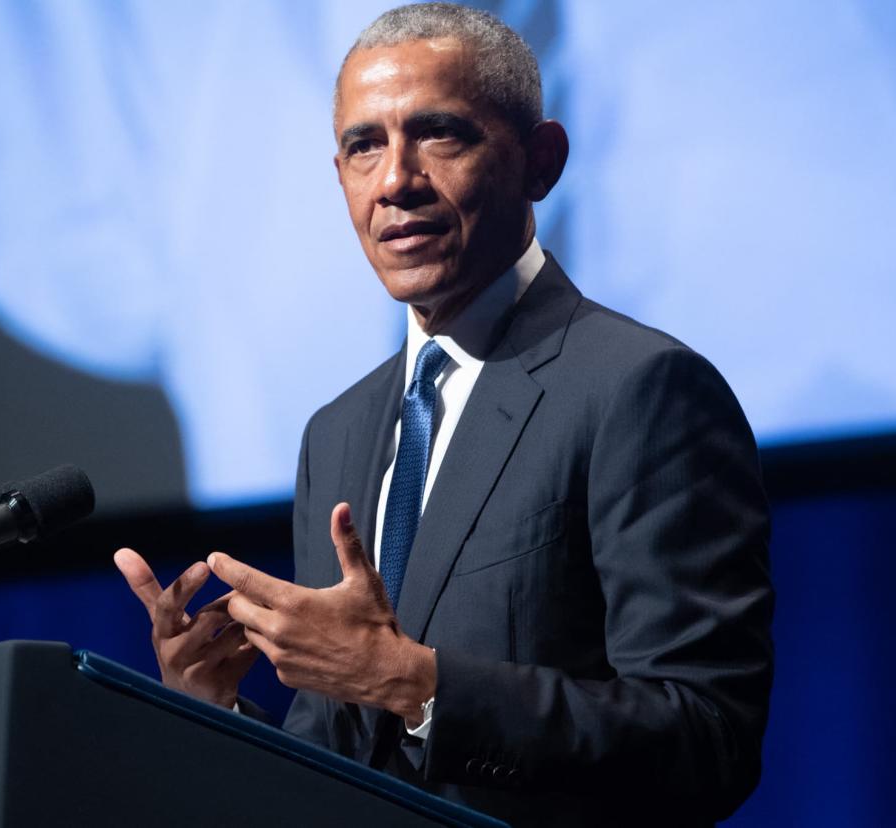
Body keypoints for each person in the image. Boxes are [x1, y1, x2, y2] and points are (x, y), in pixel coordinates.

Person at [115, 4, 773, 825]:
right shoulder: (338, 430)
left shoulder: (640, 389)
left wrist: (412, 683)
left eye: (439, 135)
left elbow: (709, 739)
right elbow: (344, 758)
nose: (395, 181)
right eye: (365, 147)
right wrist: (217, 709)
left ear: (541, 162)